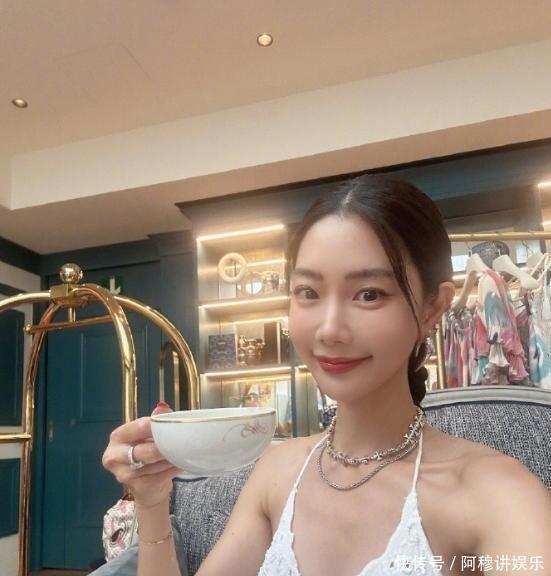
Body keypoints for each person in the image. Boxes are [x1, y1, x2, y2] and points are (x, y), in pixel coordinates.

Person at [100, 175, 551, 576]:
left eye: (369, 294)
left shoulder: (497, 495)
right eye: (308, 292)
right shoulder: (277, 472)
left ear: (433, 307)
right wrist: (152, 501)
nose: (329, 329)